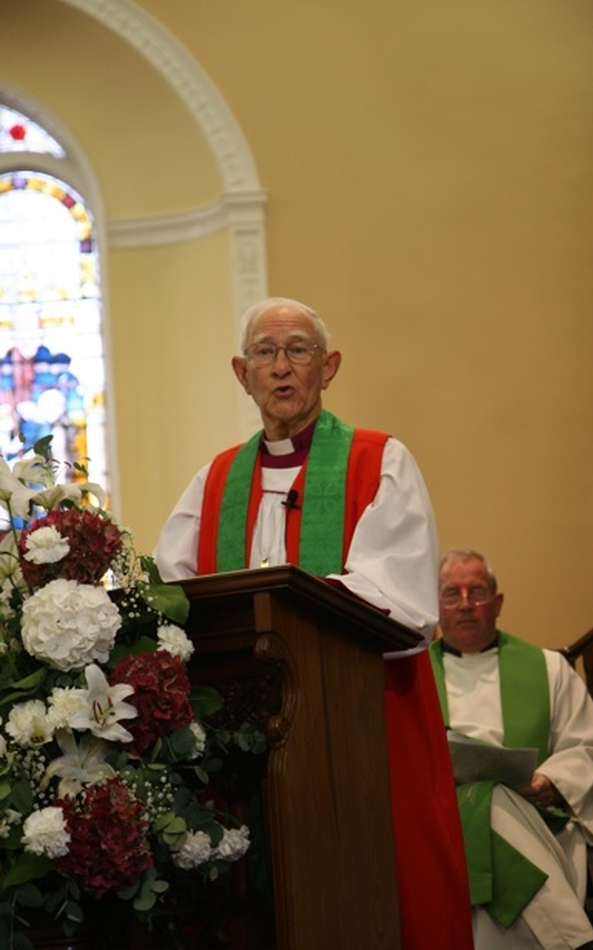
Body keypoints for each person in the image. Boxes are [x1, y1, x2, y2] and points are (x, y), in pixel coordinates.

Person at [155, 296, 474, 950]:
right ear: (241, 373)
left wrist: (292, 603)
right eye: (266, 352)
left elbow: (404, 600)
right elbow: (173, 599)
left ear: (328, 367)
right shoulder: (213, 481)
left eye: (298, 349)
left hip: (363, 722)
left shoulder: (379, 461)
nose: (281, 367)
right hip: (239, 731)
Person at [428, 548, 593, 950]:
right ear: (435, 605)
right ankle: (573, 940)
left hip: (533, 818)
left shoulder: (548, 668)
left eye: (476, 593)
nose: (464, 605)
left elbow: (589, 747)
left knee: (493, 800)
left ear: (497, 604)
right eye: (451, 594)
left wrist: (553, 780)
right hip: (442, 828)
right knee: (490, 798)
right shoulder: (410, 680)